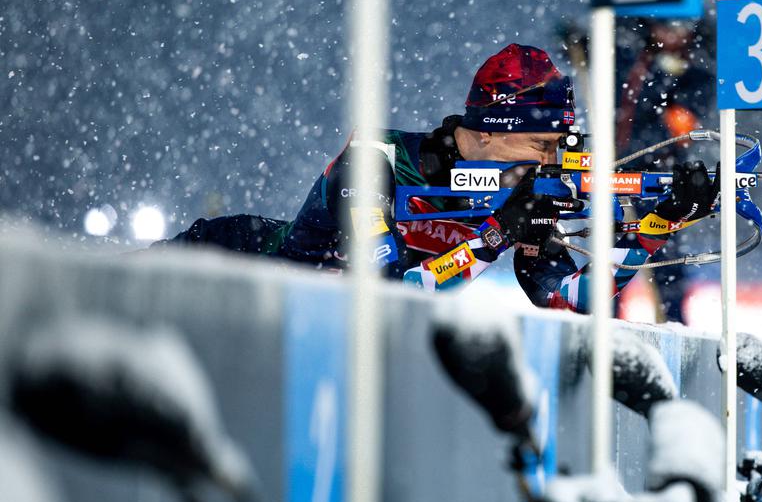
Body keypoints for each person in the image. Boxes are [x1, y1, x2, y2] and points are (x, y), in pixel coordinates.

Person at [163, 44, 718, 313]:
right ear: (491, 132)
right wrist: (496, 233)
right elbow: (385, 293)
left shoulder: (522, 192)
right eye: (539, 146)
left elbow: (572, 300)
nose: (550, 164)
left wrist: (655, 224)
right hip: (224, 269)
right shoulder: (376, 160)